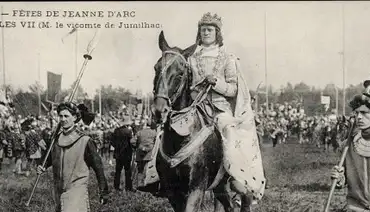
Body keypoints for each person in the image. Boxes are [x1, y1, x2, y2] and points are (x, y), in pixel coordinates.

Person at [141, 12, 266, 200]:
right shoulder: (191, 58)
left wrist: (216, 82)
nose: (206, 33)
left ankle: (235, 177)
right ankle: (156, 177)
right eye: (203, 30)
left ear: (217, 33)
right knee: (165, 131)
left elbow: (233, 90)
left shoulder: (228, 58)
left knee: (229, 132)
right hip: (194, 107)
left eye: (210, 30)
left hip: (219, 109)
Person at [36, 102, 110, 212]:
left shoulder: (85, 141)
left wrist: (103, 190)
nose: (62, 120)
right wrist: (42, 165)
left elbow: (98, 167)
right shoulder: (56, 139)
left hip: (77, 185)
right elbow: (50, 156)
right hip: (60, 186)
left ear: (75, 118)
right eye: (60, 116)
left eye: (66, 116)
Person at [111, 114, 136, 192]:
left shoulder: (116, 131)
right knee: (127, 171)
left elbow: (112, 142)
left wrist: (117, 147)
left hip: (118, 154)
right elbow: (132, 142)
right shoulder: (129, 131)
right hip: (127, 154)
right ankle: (128, 187)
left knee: (118, 171)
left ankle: (116, 187)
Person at [134, 120, 157, 188]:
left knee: (140, 170)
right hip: (150, 153)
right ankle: (147, 184)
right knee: (148, 169)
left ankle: (139, 184)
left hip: (140, 153)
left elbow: (133, 141)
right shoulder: (154, 133)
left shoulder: (139, 132)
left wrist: (138, 146)